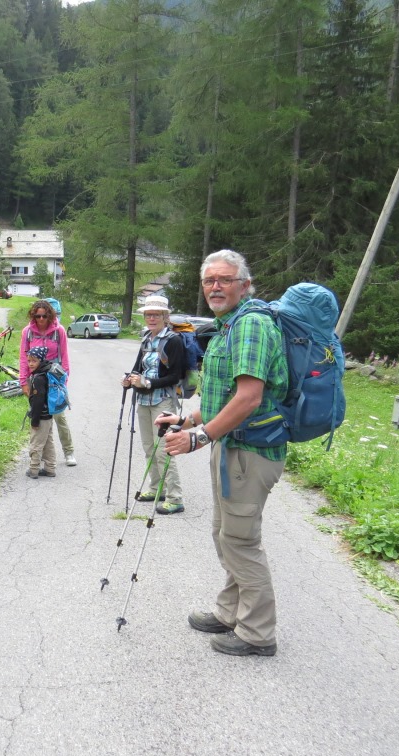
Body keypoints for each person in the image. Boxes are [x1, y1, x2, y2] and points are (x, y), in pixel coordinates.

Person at [158, 249, 289, 657]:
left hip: (249, 451)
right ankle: (231, 610)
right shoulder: (227, 325)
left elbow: (249, 398)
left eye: (225, 279)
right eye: (209, 280)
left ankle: (257, 633)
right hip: (232, 445)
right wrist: (188, 419)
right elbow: (221, 397)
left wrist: (199, 438)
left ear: (244, 285)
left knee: (240, 540)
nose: (216, 286)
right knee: (227, 534)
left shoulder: (250, 326)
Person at [121, 295, 186, 515]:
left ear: (165, 316)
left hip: (163, 401)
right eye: (148, 314)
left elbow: (176, 376)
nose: (151, 318)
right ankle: (156, 487)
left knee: (164, 450)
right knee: (149, 447)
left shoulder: (173, 341)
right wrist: (130, 379)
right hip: (144, 400)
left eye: (156, 314)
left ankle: (175, 497)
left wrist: (148, 383)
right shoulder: (146, 339)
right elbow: (137, 367)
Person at [18, 299, 76, 466]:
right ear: (33, 315)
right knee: (40, 415)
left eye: (44, 316)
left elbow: (65, 357)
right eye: (38, 316)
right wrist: (24, 382)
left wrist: (63, 381)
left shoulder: (59, 331)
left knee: (59, 416)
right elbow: (23, 358)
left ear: (50, 315)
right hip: (35, 380)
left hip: (53, 379)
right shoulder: (27, 332)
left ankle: (69, 451)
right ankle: (44, 456)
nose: (41, 319)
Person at [25, 346, 57, 479]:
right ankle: (50, 469)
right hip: (48, 415)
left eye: (34, 361)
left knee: (36, 443)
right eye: (29, 360)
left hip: (41, 416)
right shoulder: (46, 372)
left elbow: (38, 401)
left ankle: (33, 470)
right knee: (48, 442)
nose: (31, 364)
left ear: (41, 360)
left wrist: (35, 420)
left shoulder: (39, 378)